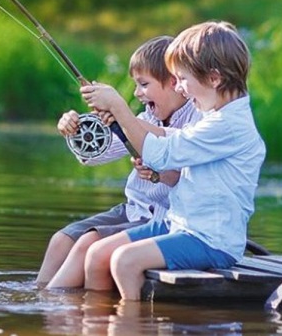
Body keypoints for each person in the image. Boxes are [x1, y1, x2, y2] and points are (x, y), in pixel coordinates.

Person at [81, 20, 266, 300]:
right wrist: (124, 120)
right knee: (97, 253)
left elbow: (160, 153)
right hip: (179, 223)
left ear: (214, 78)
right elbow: (170, 137)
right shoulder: (214, 116)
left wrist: (120, 109)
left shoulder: (229, 125)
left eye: (182, 79)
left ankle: (130, 325)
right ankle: (96, 322)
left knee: (125, 261)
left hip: (209, 239)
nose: (179, 88)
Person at [37, 35, 200, 289]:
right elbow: (95, 156)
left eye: (144, 84)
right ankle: (39, 297)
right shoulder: (147, 116)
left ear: (172, 82)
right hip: (132, 211)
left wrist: (122, 114)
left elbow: (177, 146)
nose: (137, 93)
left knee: (86, 244)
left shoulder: (197, 119)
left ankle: (52, 307)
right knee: (61, 240)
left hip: (164, 220)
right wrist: (76, 129)